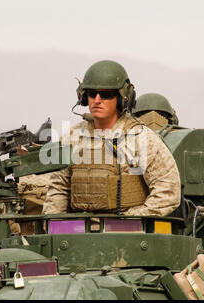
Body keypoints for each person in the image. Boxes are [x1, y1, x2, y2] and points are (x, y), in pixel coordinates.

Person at [42, 60, 181, 216]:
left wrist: (129, 221)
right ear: (83, 97)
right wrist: (56, 227)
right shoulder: (72, 138)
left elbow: (168, 192)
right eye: (92, 94)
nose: (97, 100)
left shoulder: (141, 139)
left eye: (106, 94)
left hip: (127, 234)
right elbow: (58, 189)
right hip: (80, 233)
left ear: (122, 98)